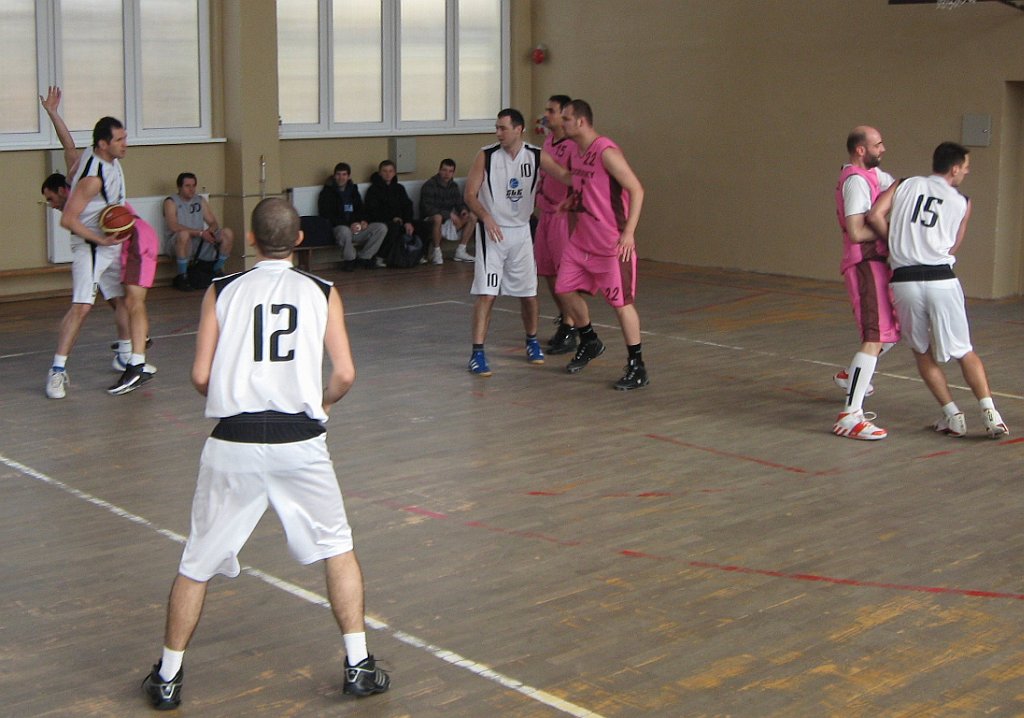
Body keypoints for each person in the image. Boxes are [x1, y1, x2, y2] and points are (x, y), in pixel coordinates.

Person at [141, 197, 391, 710]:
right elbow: (344, 374)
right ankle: (359, 665)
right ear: (299, 240)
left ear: (251, 239)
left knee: (197, 561)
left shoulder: (222, 289)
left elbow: (200, 375)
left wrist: (228, 394)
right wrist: (320, 405)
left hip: (233, 441)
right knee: (337, 548)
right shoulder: (323, 290)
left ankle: (167, 677)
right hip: (300, 441)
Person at [866, 142, 1009, 439]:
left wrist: (896, 242)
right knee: (964, 350)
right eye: (966, 168)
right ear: (954, 169)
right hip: (941, 279)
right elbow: (953, 246)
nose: (966, 173)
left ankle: (953, 415)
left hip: (905, 280)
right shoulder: (962, 202)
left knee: (922, 351)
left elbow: (875, 215)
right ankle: (990, 413)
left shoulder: (904, 184)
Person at [40, 88, 156, 392]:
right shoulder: (92, 179)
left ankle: (125, 354)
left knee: (123, 300)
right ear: (104, 144)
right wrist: (100, 241)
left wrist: (53, 113)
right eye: (120, 139)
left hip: (108, 243)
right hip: (91, 246)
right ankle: (57, 370)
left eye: (125, 137)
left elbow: (68, 146)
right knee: (82, 307)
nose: (125, 144)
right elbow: (68, 220)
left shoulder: (95, 158)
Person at [463, 108, 571, 377]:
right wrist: (486, 217)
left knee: (528, 293)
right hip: (493, 233)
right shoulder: (486, 155)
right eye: (496, 128)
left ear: (519, 129)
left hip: (521, 232)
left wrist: (594, 171)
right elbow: (469, 194)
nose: (498, 133)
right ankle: (477, 353)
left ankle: (532, 341)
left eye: (503, 128)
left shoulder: (535, 155)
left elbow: (565, 176)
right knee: (487, 294)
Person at [555, 99, 649, 390]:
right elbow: (586, 187)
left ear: (581, 121)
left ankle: (637, 366)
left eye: (566, 119)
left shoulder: (606, 152)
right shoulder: (576, 152)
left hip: (611, 245)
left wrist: (628, 232)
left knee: (621, 305)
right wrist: (573, 201)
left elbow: (636, 189)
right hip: (582, 241)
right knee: (563, 290)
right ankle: (589, 339)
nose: (562, 123)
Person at [830, 126, 900, 440]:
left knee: (891, 332)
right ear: (861, 150)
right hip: (863, 263)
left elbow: (897, 186)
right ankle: (850, 415)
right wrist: (893, 231)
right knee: (874, 336)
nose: (883, 149)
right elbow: (857, 231)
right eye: (878, 144)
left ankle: (851, 375)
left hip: (877, 263)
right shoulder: (856, 182)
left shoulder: (873, 175)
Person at [534, 94, 578, 355]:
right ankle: (565, 318)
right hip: (545, 214)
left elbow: (579, 181)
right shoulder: (548, 141)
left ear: (564, 115)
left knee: (565, 275)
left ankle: (572, 326)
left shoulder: (574, 146)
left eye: (551, 111)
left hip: (563, 217)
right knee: (548, 272)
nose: (546, 115)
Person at [165, 172, 235, 290]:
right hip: (179, 242)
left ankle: (217, 270)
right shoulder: (171, 201)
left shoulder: (199, 200)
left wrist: (210, 232)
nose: (191, 189)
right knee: (183, 235)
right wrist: (200, 233)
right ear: (179, 187)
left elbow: (213, 223)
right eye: (187, 186)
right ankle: (183, 276)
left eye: (193, 186)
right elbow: (173, 226)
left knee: (227, 233)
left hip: (200, 240)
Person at [317, 162, 387, 271]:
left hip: (355, 227)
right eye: (338, 174)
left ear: (348, 176)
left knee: (381, 228)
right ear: (334, 176)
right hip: (338, 228)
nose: (341, 177)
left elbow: (360, 209)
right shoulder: (326, 192)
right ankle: (350, 260)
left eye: (344, 174)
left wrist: (362, 221)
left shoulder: (353, 190)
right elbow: (327, 214)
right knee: (344, 231)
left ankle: (364, 257)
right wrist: (349, 225)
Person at [419, 158, 476, 264]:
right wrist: (449, 215)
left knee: (472, 216)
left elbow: (459, 203)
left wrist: (463, 211)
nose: (447, 174)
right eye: (444, 170)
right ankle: (436, 252)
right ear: (439, 170)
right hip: (431, 219)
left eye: (450, 171)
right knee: (438, 218)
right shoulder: (429, 185)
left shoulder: (453, 186)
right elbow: (427, 209)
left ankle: (461, 250)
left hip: (449, 220)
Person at [364, 159, 415, 265]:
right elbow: (373, 211)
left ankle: (417, 254)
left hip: (401, 220)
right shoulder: (373, 190)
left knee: (424, 226)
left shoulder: (399, 188)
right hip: (382, 221)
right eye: (385, 171)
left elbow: (407, 206)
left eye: (390, 171)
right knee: (394, 227)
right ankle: (380, 256)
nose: (388, 174)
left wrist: (408, 221)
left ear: (394, 173)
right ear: (380, 173)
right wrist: (392, 218)